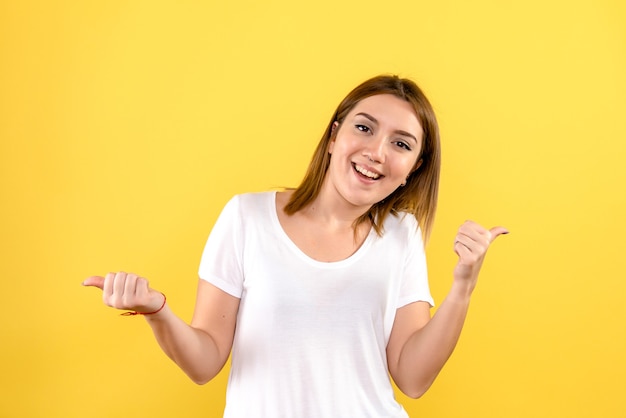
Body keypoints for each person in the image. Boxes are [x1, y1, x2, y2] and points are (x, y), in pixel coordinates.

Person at [83, 74, 507, 417]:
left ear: (413, 170)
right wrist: (158, 312)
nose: (377, 152)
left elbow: (413, 379)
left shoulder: (401, 235)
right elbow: (204, 362)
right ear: (333, 137)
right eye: (364, 127)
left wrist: (463, 285)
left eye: (401, 144)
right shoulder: (246, 217)